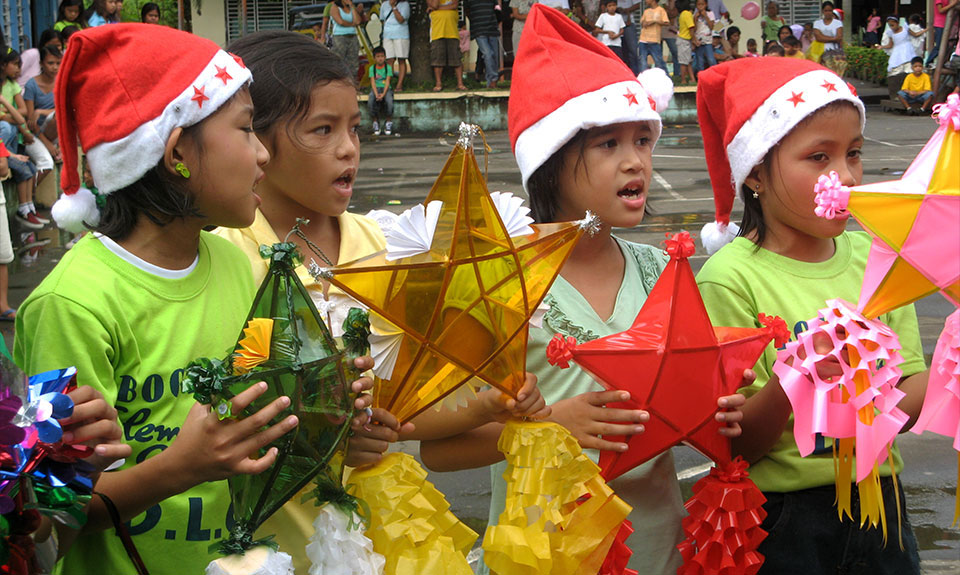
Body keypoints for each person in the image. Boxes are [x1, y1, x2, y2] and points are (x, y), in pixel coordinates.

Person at [421, 7, 748, 574]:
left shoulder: (661, 270)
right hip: (543, 556)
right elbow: (439, 448)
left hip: (657, 554)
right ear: (548, 164)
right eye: (607, 145)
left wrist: (716, 410)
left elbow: (691, 407)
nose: (635, 162)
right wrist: (543, 427)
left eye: (643, 140)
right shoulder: (500, 280)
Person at [12, 24, 314, 574]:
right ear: (177, 154)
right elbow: (56, 504)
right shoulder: (71, 305)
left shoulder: (232, 261)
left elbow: (263, 387)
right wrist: (183, 466)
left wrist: (329, 396)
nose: (263, 153)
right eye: (246, 130)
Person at [696, 56, 927, 575]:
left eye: (854, 154)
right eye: (819, 157)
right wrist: (801, 374)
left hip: (880, 503)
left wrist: (937, 375)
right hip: (784, 519)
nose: (843, 177)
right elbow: (738, 445)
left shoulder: (880, 262)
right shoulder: (729, 279)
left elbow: (909, 397)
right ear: (755, 171)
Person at [0, 48, 54, 230]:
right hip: (6, 152)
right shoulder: (27, 85)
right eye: (15, 65)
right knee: (25, 169)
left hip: (12, 145)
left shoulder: (12, 86)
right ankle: (23, 210)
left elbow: (21, 116)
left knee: (30, 168)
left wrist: (5, 108)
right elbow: (20, 119)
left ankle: (29, 208)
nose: (19, 69)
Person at [23, 46, 60, 167]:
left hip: (56, 132)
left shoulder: (62, 82)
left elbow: (66, 110)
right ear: (41, 64)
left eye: (58, 63)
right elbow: (30, 122)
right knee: (46, 163)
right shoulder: (31, 85)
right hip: (35, 134)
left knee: (56, 116)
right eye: (50, 63)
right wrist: (47, 144)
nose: (55, 67)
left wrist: (41, 111)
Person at [428, 0, 467, 91]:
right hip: (437, 32)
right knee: (437, 59)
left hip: (452, 32)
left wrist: (438, 8)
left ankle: (460, 83)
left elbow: (454, 5)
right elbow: (433, 4)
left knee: (456, 59)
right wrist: (439, 7)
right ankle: (438, 83)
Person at [467, 0, 502, 87]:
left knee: (494, 55)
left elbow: (498, 10)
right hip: (479, 29)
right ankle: (493, 78)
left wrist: (496, 22)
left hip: (492, 29)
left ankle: (490, 81)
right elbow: (467, 12)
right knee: (488, 54)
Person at [379, 0, 410, 91]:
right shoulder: (384, 4)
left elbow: (401, 19)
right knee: (389, 60)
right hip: (388, 35)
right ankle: (388, 84)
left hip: (401, 34)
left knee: (401, 59)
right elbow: (382, 20)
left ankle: (399, 85)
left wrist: (394, 7)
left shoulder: (405, 5)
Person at [367, 46, 394, 135]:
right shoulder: (372, 68)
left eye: (382, 56)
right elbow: (373, 82)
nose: (380, 59)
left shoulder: (388, 68)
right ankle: (375, 121)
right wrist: (376, 94)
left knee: (389, 101)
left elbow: (387, 82)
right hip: (376, 88)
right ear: (374, 58)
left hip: (386, 88)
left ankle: (388, 121)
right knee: (371, 100)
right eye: (378, 57)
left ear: (385, 57)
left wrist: (383, 94)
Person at [330, 0, 360, 76]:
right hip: (340, 36)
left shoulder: (350, 8)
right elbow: (340, 22)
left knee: (353, 61)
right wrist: (352, 24)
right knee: (338, 60)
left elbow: (358, 21)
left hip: (352, 36)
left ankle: (352, 81)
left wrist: (352, 7)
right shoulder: (335, 7)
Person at [638, 0, 669, 73]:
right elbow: (642, 22)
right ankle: (643, 78)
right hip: (643, 39)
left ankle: (664, 77)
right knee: (642, 61)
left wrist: (655, 21)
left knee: (658, 61)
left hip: (654, 40)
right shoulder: (646, 11)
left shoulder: (661, 10)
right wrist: (645, 23)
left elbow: (666, 22)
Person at [927, 0, 959, 66]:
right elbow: (940, 10)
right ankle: (929, 62)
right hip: (940, 24)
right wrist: (952, 4)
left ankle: (943, 62)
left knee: (947, 45)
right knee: (939, 45)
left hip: (948, 24)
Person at [692, 0, 716, 74]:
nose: (700, 6)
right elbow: (694, 29)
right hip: (698, 40)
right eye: (699, 4)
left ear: (706, 5)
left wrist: (705, 16)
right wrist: (695, 19)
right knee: (700, 60)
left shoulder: (710, 13)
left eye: (702, 4)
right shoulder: (695, 15)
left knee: (710, 59)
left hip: (707, 40)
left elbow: (711, 26)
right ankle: (701, 77)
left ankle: (715, 74)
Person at [511, 0, 537, 65]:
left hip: (532, 30)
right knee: (517, 53)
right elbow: (516, 15)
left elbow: (536, 12)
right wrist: (530, 15)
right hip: (518, 30)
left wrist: (522, 15)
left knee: (532, 54)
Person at [676, 0, 694, 82]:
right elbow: (691, 28)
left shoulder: (683, 14)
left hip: (684, 40)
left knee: (688, 61)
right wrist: (694, 40)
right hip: (684, 40)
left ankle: (692, 79)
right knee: (684, 62)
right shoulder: (687, 14)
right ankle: (683, 80)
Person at [662, 0, 680, 77]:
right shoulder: (661, 2)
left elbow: (673, 14)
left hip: (672, 32)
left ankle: (677, 74)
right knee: (658, 55)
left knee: (675, 53)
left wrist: (667, 10)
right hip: (660, 32)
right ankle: (663, 74)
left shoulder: (676, 2)